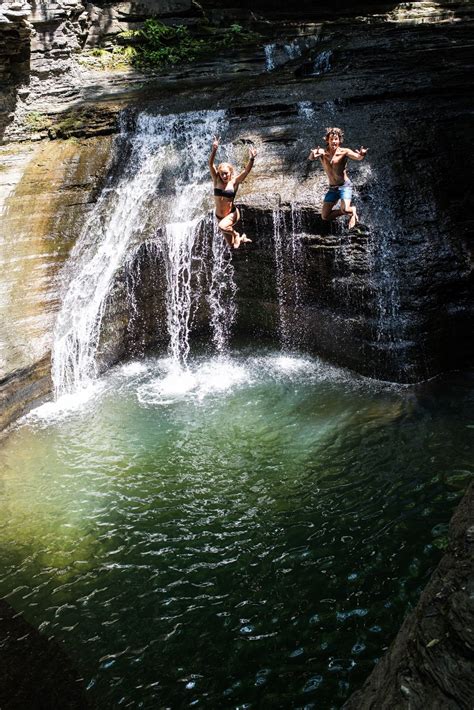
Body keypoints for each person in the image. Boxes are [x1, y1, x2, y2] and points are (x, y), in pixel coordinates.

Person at [308, 127, 367, 230]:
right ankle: (348, 211)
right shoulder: (322, 152)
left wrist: (362, 154)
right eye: (331, 139)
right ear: (327, 140)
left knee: (345, 209)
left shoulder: (345, 152)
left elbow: (358, 157)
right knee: (325, 216)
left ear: (339, 140)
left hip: (345, 186)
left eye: (336, 139)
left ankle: (352, 211)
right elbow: (311, 157)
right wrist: (313, 154)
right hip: (332, 189)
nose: (334, 141)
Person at [209, 136, 256, 249]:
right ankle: (241, 238)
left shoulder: (234, 182)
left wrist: (252, 159)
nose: (224, 176)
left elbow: (246, 171)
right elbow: (210, 164)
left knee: (222, 226)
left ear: (230, 172)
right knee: (232, 246)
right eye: (222, 174)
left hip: (232, 214)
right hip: (220, 217)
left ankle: (236, 234)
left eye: (226, 173)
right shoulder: (216, 180)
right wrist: (214, 149)